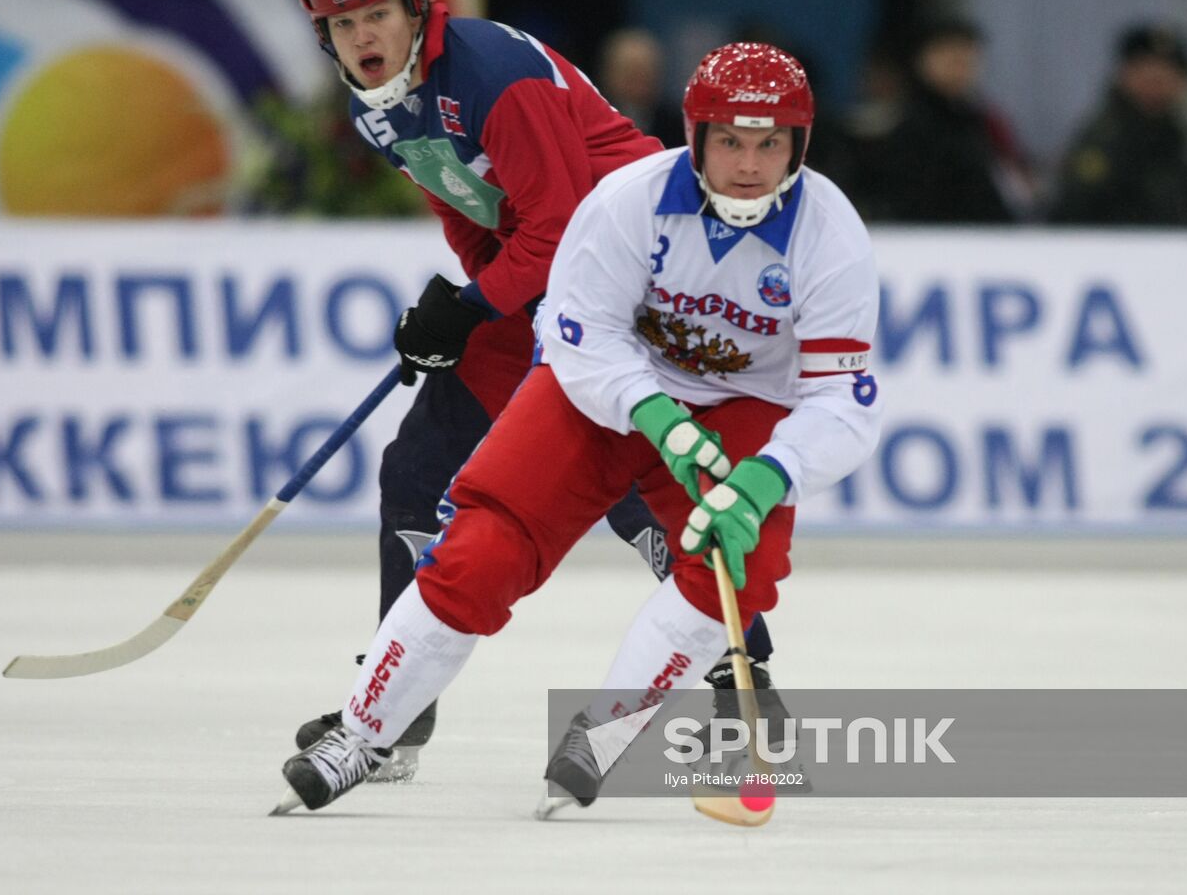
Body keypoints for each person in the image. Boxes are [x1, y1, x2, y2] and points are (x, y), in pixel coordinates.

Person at [275, 42, 883, 815]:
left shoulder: (831, 236)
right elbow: (575, 336)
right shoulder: (627, 200)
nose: (749, 164)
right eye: (730, 140)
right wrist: (652, 411)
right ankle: (363, 735)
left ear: (800, 143)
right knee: (483, 546)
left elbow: (843, 399)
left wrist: (769, 476)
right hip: (606, 396)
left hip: (740, 409)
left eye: (770, 143)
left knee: (736, 562)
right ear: (696, 136)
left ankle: (599, 739)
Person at [290, 0, 777, 780]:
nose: (361, 37)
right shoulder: (379, 107)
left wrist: (473, 305)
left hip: (632, 274)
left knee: (635, 493)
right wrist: (466, 311)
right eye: (340, 24)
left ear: (414, 6)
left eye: (375, 15)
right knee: (414, 472)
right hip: (546, 282)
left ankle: (745, 678)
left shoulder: (491, 77)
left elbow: (557, 234)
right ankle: (395, 713)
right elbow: (463, 204)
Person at [873, 18, 1032, 223]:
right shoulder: (913, 127)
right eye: (952, 57)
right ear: (924, 60)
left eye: (968, 58)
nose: (961, 67)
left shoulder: (980, 121)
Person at [1048, 24, 1187, 226]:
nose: (1156, 83)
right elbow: (1073, 208)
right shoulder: (1104, 138)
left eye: (1166, 74)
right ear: (1124, 74)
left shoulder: (1181, 136)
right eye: (1146, 72)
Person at [597, 28, 686, 147]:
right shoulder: (595, 121)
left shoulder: (676, 125)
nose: (639, 80)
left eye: (646, 71)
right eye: (630, 72)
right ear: (609, 74)